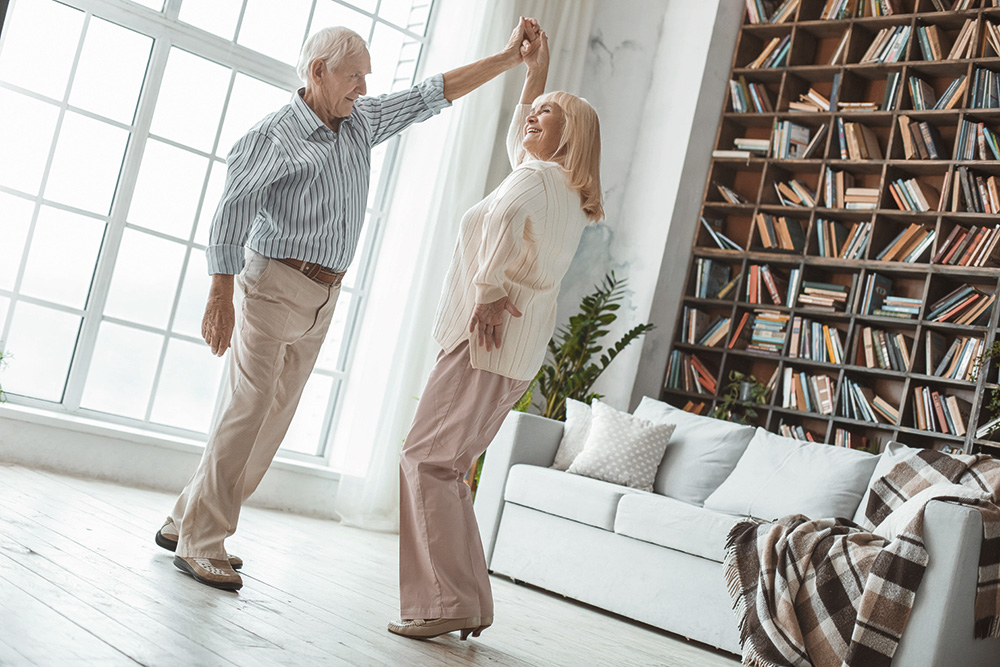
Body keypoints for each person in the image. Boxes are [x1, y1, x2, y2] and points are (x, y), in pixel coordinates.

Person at [155, 20, 544, 592]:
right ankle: (201, 542)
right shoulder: (274, 136)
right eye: (354, 76)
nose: (363, 87)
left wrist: (510, 59)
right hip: (270, 286)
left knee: (270, 421)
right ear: (318, 72)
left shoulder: (359, 122)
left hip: (322, 295)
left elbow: (431, 93)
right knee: (247, 409)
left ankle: (186, 519)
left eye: (366, 77)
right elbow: (231, 212)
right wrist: (219, 294)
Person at [388, 28, 604, 639]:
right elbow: (521, 157)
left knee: (424, 459)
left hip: (483, 339)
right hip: (514, 351)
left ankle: (444, 604)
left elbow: (504, 214)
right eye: (535, 111)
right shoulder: (564, 191)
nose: (533, 116)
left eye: (547, 114)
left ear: (571, 136)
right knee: (449, 468)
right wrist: (534, 77)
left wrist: (485, 290)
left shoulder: (535, 182)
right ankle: (468, 602)